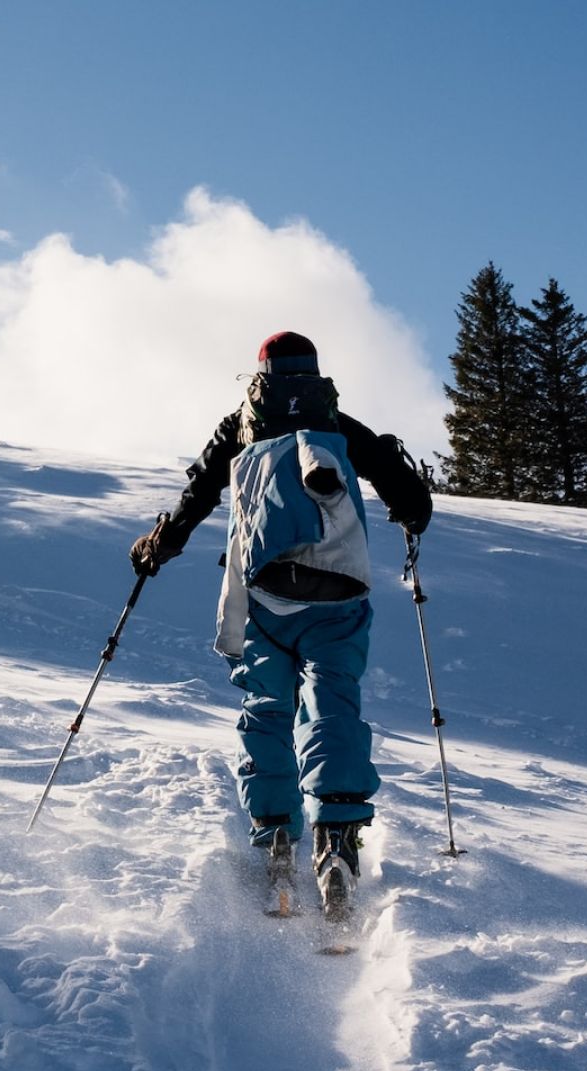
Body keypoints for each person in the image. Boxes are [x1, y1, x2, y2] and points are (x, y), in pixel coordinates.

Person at [128, 331, 432, 923]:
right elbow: (407, 494)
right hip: (339, 590)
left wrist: (154, 549)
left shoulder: (239, 428)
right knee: (332, 700)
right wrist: (411, 512)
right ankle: (337, 837)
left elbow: (196, 498)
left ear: (260, 374)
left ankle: (276, 835)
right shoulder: (340, 425)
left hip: (265, 595)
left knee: (269, 705)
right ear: (315, 373)